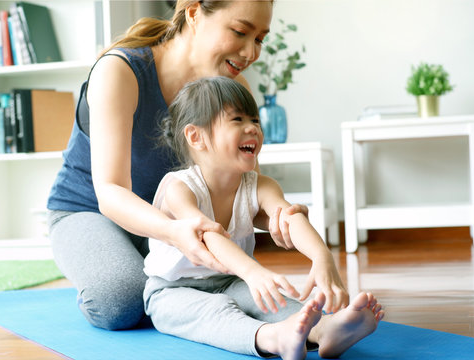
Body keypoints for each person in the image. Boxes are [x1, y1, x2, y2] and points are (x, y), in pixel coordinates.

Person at [46, 0, 307, 331]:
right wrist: (172, 232)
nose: (250, 52)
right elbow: (110, 192)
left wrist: (280, 217)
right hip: (87, 210)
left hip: (180, 220)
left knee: (244, 287)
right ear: (195, 13)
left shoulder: (234, 90)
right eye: (240, 32)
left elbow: (243, 191)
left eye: (259, 39)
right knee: (119, 301)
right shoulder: (119, 71)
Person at [143, 76, 384, 359]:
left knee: (273, 301)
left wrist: (322, 257)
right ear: (196, 137)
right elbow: (208, 236)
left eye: (255, 120)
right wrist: (253, 272)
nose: (252, 128)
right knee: (216, 313)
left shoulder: (260, 185)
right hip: (171, 290)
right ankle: (272, 338)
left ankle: (325, 331)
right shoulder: (179, 189)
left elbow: (289, 217)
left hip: (231, 280)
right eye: (237, 120)